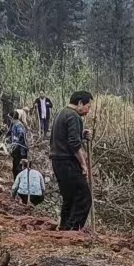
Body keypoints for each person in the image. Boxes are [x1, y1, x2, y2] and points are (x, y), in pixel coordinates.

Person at [50, 91, 93, 231]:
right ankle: (73, 229)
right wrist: (83, 164)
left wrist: (82, 134)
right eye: (88, 106)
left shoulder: (62, 113)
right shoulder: (74, 116)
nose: (88, 110)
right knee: (83, 196)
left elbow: (65, 135)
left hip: (57, 160)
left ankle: (64, 227)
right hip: (67, 161)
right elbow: (74, 144)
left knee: (69, 196)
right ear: (80, 103)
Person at [6, 112, 31, 179]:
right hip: (17, 150)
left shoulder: (18, 125)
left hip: (20, 150)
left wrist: (16, 142)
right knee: (15, 167)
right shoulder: (14, 125)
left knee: (19, 167)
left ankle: (20, 182)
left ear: (11, 118)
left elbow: (21, 134)